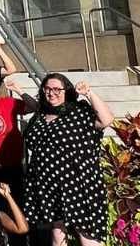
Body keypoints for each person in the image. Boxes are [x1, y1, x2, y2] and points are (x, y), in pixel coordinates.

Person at [23, 74, 113, 246]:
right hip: (49, 186)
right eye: (48, 89)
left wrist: (89, 93)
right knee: (57, 234)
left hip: (78, 184)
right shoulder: (40, 115)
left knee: (87, 236)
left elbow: (106, 119)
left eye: (57, 89)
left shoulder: (78, 110)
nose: (52, 93)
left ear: (66, 90)